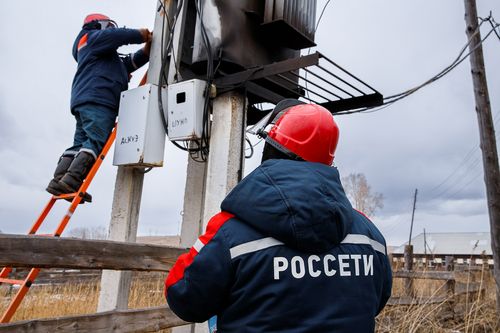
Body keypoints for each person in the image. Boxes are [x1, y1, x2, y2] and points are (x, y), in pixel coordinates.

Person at [164, 99, 393, 332]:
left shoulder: (229, 232)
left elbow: (183, 298)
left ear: (272, 151)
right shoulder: (370, 236)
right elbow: (377, 300)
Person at [46, 13, 152, 202]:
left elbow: (126, 65)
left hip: (87, 100)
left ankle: (60, 180)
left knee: (80, 143)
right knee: (95, 140)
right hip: (99, 100)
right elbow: (117, 36)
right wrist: (141, 34)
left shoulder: (99, 54)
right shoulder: (90, 38)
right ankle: (73, 180)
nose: (111, 28)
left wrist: (145, 52)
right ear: (98, 25)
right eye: (109, 25)